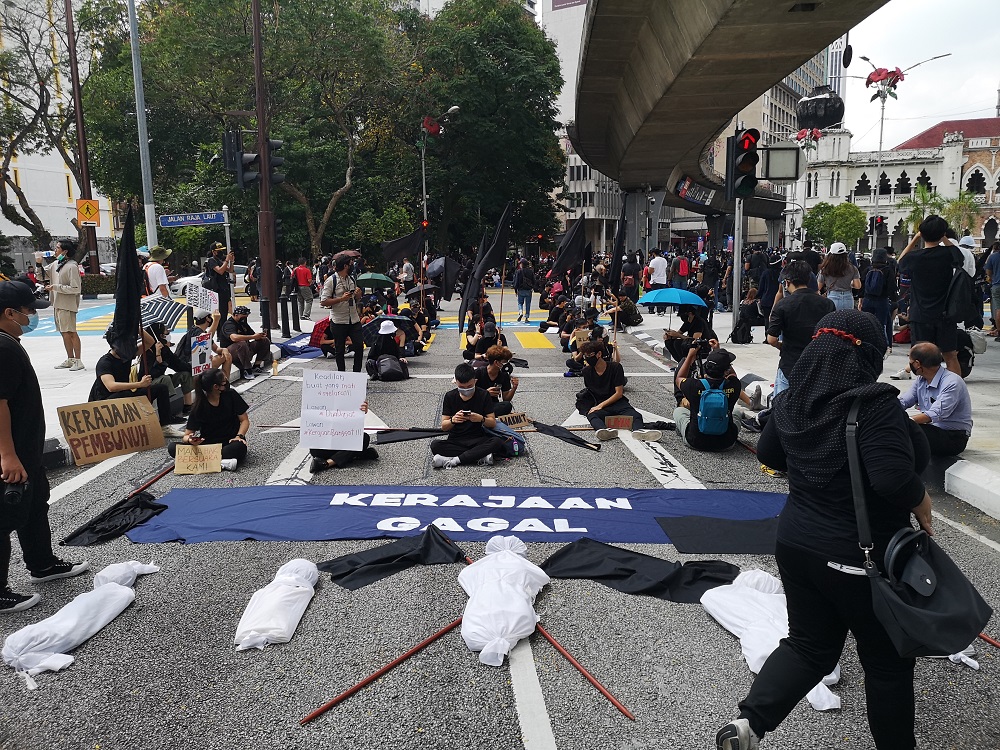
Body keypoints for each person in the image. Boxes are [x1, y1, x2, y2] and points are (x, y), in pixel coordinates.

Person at [715, 309, 932, 750]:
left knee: (809, 646)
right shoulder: (874, 405)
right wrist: (921, 498)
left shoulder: (797, 400)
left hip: (796, 541)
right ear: (866, 355)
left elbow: (771, 453)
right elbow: (892, 478)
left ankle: (749, 725)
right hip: (859, 554)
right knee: (887, 663)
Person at [0, 280, 89, 612]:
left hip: (27, 448)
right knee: (4, 517)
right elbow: (0, 403)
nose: (30, 318)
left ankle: (43, 564)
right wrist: (7, 455)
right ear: (9, 313)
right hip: (13, 453)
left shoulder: (10, 342)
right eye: (26, 312)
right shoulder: (3, 347)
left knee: (35, 506)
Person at [897, 215, 963, 374]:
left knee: (920, 356)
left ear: (922, 233)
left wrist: (915, 238)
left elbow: (901, 261)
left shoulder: (914, 258)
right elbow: (959, 256)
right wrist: (944, 238)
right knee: (950, 355)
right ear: (942, 234)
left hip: (920, 314)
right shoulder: (948, 254)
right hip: (945, 314)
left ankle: (923, 392)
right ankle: (954, 391)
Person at [89, 329, 186, 438]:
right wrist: (139, 384)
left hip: (124, 394)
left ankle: (165, 426)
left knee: (161, 388)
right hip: (105, 400)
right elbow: (111, 386)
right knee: (125, 394)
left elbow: (149, 342)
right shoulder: (105, 362)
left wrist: (137, 327)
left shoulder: (127, 354)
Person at [766, 260, 835, 395]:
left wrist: (782, 346)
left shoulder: (782, 305)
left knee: (782, 405)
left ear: (787, 282)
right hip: (818, 364)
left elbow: (771, 339)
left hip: (790, 363)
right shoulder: (827, 304)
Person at [898, 342, 972, 456]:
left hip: (953, 436)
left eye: (910, 360)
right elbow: (904, 401)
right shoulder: (921, 380)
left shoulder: (952, 382)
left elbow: (935, 414)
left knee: (904, 432)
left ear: (917, 364)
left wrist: (903, 422)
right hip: (933, 430)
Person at [578, 340, 661, 442]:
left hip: (617, 402)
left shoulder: (615, 367)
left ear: (599, 354)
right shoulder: (586, 371)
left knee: (636, 416)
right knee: (591, 415)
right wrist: (596, 406)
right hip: (600, 404)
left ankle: (639, 432)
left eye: (589, 355)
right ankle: (604, 431)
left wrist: (601, 405)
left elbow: (619, 393)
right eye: (585, 356)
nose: (587, 358)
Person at [170, 368, 249, 471]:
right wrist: (191, 440)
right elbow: (186, 435)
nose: (226, 383)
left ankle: (210, 461)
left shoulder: (231, 395)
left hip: (230, 442)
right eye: (224, 382)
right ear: (216, 387)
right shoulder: (199, 405)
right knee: (172, 447)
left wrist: (239, 436)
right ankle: (221, 462)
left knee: (238, 447)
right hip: (208, 447)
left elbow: (244, 420)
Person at [673, 345, 748, 452]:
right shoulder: (734, 385)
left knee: (679, 411)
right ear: (726, 370)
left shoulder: (693, 385)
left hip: (695, 441)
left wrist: (690, 356)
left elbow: (679, 378)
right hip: (726, 442)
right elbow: (733, 374)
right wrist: (718, 351)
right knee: (736, 411)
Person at [431, 363, 507, 468]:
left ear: (475, 381)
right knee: (435, 445)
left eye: (469, 386)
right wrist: (453, 420)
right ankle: (478, 456)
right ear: (456, 382)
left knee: (497, 442)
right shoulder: (450, 396)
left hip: (476, 438)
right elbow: (444, 426)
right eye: (462, 387)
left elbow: (492, 422)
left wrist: (480, 419)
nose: (466, 389)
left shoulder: (483, 395)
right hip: (456, 440)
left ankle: (454, 460)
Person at [139, 322, 195, 415]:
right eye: (165, 334)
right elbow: (151, 374)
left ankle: (187, 406)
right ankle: (167, 415)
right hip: (149, 383)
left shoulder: (164, 350)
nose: (167, 336)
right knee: (165, 379)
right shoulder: (147, 352)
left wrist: (194, 367)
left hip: (162, 380)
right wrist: (158, 357)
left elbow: (178, 365)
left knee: (185, 374)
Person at [309, 399, 379, 473]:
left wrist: (361, 412)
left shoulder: (351, 396)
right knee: (315, 449)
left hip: (343, 439)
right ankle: (358, 454)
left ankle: (327, 463)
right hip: (324, 444)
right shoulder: (319, 396)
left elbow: (354, 428)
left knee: (363, 438)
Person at [46, 238, 84, 371]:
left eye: (57, 248)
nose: (55, 250)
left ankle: (78, 360)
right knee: (64, 333)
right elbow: (42, 275)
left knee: (71, 332)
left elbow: (75, 288)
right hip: (57, 303)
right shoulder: (56, 264)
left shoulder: (72, 266)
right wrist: (39, 263)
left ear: (65, 251)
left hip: (67, 304)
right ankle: (70, 358)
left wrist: (56, 287)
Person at [320, 256, 364, 372]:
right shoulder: (331, 280)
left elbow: (356, 299)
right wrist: (341, 299)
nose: (352, 266)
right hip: (339, 320)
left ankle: (356, 374)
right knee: (339, 350)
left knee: (359, 346)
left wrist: (358, 294)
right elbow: (323, 301)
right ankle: (342, 375)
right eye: (351, 264)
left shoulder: (351, 279)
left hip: (354, 319)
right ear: (345, 266)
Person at [174, 309, 233, 382]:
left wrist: (224, 350)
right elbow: (205, 338)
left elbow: (216, 349)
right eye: (210, 317)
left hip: (196, 364)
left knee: (227, 355)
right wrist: (216, 321)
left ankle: (224, 382)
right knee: (227, 357)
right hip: (192, 366)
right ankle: (225, 383)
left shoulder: (200, 331)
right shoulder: (196, 332)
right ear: (207, 319)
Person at [860, 248, 898, 353]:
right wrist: (894, 300)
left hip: (868, 299)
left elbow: (862, 286)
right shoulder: (887, 270)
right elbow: (892, 287)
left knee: (866, 322)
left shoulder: (868, 269)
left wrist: (860, 300)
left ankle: (866, 343)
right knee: (882, 324)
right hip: (882, 300)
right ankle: (883, 345)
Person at [220, 306, 272, 380]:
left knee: (264, 340)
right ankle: (247, 370)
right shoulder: (229, 324)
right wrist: (252, 337)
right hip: (231, 352)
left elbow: (252, 334)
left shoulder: (243, 323)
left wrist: (260, 336)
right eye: (243, 316)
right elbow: (234, 338)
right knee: (241, 343)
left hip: (245, 349)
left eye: (246, 316)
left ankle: (256, 366)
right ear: (236, 315)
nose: (245, 318)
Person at [476, 345, 519, 417]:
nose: (506, 364)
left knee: (507, 406)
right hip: (478, 403)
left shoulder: (504, 375)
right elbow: (468, 394)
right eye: (504, 362)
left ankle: (486, 416)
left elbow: (506, 399)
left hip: (492, 405)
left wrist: (514, 388)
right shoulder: (478, 373)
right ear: (496, 362)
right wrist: (486, 393)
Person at [817, 242, 860, 312]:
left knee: (834, 321)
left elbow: (818, 287)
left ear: (831, 255)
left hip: (832, 298)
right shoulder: (853, 268)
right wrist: (850, 284)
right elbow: (858, 286)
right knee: (848, 321)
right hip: (848, 298)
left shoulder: (826, 269)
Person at [206, 242, 235, 316]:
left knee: (225, 309)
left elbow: (230, 270)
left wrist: (231, 261)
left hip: (224, 287)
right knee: (221, 311)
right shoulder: (211, 260)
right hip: (217, 289)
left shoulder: (219, 261)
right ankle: (219, 327)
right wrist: (226, 260)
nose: (220, 252)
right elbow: (220, 271)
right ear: (214, 251)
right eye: (218, 251)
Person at [984, 242, 1000, 338]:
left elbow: (988, 272)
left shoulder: (993, 257)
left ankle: (999, 332)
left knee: (998, 309)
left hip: (997, 285)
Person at [647, 249, 669, 314]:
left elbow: (650, 271)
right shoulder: (664, 260)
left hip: (655, 280)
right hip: (663, 280)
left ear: (654, 253)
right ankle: (661, 309)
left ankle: (652, 309)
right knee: (661, 295)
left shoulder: (653, 261)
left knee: (654, 295)